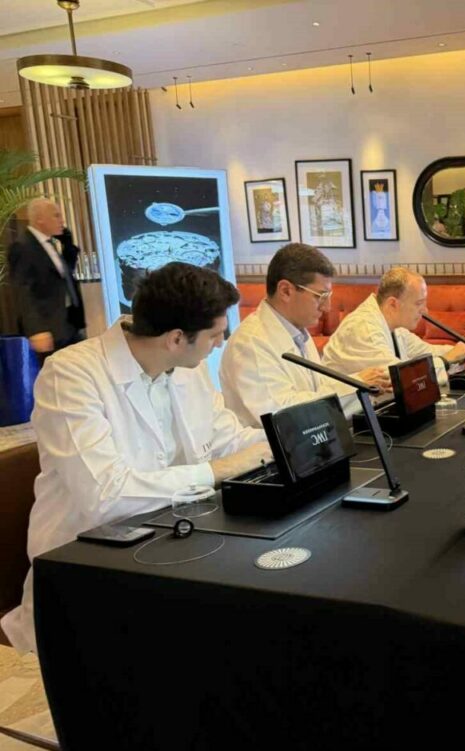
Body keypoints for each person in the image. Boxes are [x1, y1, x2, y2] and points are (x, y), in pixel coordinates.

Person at [0, 263, 272, 652]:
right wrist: (217, 471)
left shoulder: (186, 367)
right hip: (85, 565)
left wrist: (283, 441)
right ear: (176, 338)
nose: (221, 343)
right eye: (215, 335)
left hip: (173, 544)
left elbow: (226, 438)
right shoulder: (71, 374)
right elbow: (107, 496)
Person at [220, 244, 390, 425]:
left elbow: (317, 389)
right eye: (320, 296)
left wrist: (362, 385)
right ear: (285, 291)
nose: (327, 307)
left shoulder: (298, 330)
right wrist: (356, 386)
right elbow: (284, 416)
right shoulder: (250, 344)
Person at [322, 267, 465, 385]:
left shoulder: (395, 325)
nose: (424, 310)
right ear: (393, 303)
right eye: (419, 303)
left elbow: (426, 352)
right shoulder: (363, 329)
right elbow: (402, 379)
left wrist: (462, 352)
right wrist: (446, 360)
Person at [7, 198, 85, 357]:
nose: (62, 220)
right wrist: (37, 329)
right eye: (56, 215)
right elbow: (23, 291)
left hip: (69, 323)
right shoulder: (23, 246)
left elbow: (64, 275)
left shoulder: (48, 243)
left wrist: (68, 244)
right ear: (40, 219)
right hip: (49, 328)